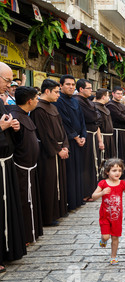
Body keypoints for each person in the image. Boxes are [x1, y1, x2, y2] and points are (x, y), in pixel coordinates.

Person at [31, 79, 69, 227]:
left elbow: (62, 128)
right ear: (47, 91)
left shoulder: (53, 107)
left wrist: (65, 145)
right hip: (49, 153)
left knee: (59, 181)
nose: (58, 95)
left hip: (60, 150)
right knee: (49, 183)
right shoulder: (39, 109)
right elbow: (45, 134)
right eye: (56, 92)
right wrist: (58, 150)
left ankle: (58, 210)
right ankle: (48, 216)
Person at [8, 86, 43, 244]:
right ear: (30, 101)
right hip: (21, 168)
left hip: (30, 167)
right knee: (23, 201)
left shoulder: (25, 115)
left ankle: (31, 233)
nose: (37, 101)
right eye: (36, 98)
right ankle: (24, 236)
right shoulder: (15, 117)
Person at [0, 62, 26, 273]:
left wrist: (13, 127)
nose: (9, 86)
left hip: (6, 161)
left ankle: (9, 249)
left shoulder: (1, 100)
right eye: (7, 81)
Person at [92, 158, 125, 265]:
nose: (118, 173)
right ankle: (103, 240)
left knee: (115, 237)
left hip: (117, 217)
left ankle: (113, 256)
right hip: (105, 216)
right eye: (114, 170)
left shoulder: (122, 184)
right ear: (107, 172)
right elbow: (93, 196)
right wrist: (102, 193)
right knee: (106, 236)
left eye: (120, 170)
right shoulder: (103, 183)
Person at [53, 75, 87, 212]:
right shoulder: (58, 101)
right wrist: (75, 137)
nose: (71, 87)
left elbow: (81, 120)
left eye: (73, 84)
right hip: (69, 141)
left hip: (79, 141)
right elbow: (64, 122)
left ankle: (78, 199)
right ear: (60, 86)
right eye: (68, 84)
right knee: (70, 172)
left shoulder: (75, 101)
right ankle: (70, 201)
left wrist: (83, 135)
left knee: (78, 171)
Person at [74, 79, 103, 201]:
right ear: (81, 89)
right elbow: (91, 116)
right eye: (89, 88)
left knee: (92, 163)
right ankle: (86, 192)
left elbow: (98, 116)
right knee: (86, 165)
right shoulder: (78, 101)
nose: (91, 90)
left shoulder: (88, 101)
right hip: (86, 136)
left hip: (93, 135)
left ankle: (93, 191)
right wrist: (95, 116)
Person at [106, 87, 125, 181]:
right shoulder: (110, 105)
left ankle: (123, 175)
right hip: (116, 132)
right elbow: (119, 117)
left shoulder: (123, 106)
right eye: (118, 93)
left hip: (124, 133)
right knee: (117, 154)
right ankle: (117, 176)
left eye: (121, 94)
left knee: (124, 154)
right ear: (113, 94)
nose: (120, 95)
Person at [94, 89, 116, 164]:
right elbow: (97, 126)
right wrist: (100, 141)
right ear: (103, 97)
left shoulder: (104, 107)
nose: (108, 98)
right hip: (102, 137)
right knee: (103, 159)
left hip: (109, 137)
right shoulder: (95, 107)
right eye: (107, 95)